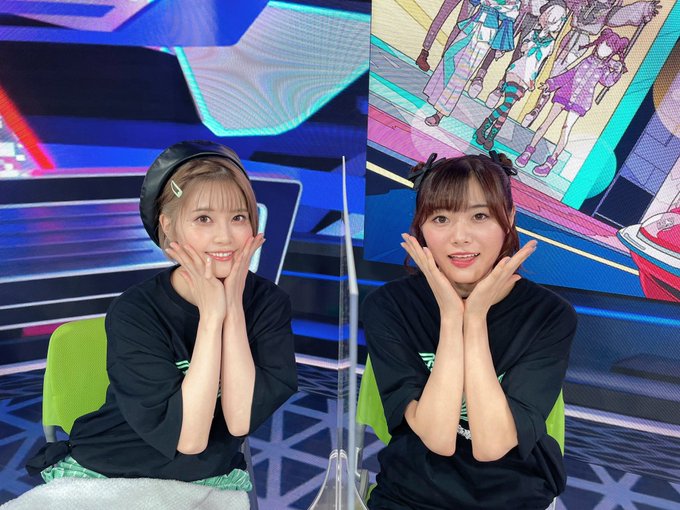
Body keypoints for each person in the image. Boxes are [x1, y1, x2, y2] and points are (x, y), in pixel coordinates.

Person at [27, 141, 298, 495]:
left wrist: (231, 306)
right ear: (168, 227)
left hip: (205, 476)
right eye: (203, 218)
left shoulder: (268, 304)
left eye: (238, 217)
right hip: (108, 468)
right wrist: (211, 317)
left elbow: (239, 420)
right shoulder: (135, 311)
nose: (225, 236)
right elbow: (189, 437)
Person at [362, 152, 577, 509]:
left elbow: (492, 445)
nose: (460, 237)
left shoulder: (548, 315)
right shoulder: (389, 306)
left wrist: (474, 320)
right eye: (441, 218)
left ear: (509, 219)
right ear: (420, 227)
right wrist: (451, 317)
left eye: (480, 216)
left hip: (513, 494)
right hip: (411, 492)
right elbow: (438, 438)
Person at [516, 28, 628, 176]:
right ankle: (528, 151)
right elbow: (569, 74)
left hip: (581, 101)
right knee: (546, 122)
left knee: (566, 129)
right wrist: (551, 84)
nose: (604, 49)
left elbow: (607, 82)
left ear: (612, 52)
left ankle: (551, 162)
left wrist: (617, 72)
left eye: (609, 48)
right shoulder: (586, 60)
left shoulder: (605, 68)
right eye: (603, 44)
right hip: (565, 93)